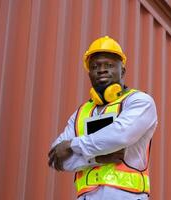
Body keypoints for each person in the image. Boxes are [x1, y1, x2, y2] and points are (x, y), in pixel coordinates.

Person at [48, 36, 158, 200]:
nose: (101, 70)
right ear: (89, 73)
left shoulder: (140, 102)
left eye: (109, 65)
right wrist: (96, 158)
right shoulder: (80, 113)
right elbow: (57, 157)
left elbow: (119, 136)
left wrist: (72, 144)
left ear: (123, 71)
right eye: (95, 66)